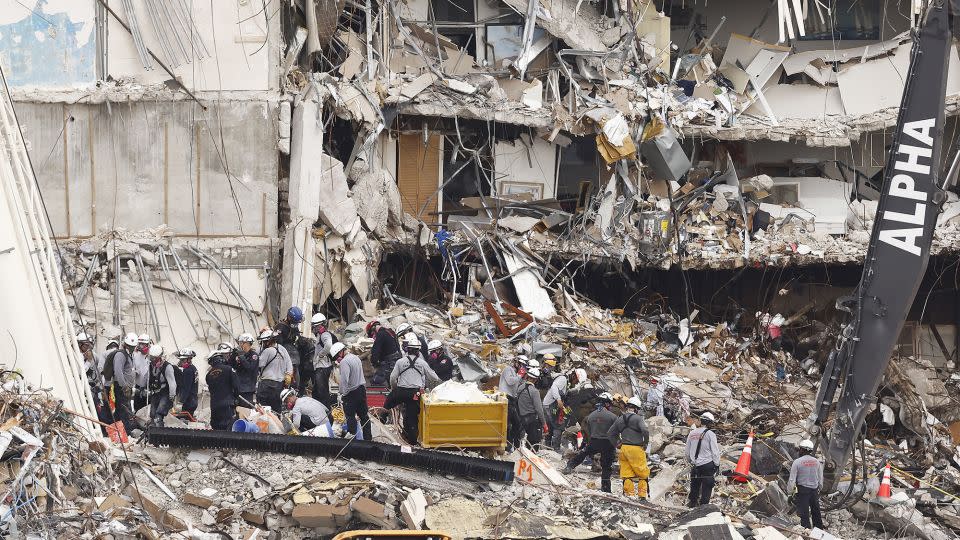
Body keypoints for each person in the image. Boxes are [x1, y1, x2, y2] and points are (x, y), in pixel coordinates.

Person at [386, 333, 440, 444]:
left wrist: (394, 390)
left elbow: (392, 378)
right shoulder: (422, 363)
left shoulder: (400, 362)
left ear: (407, 349)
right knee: (412, 418)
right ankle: (412, 442)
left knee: (387, 404)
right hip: (414, 394)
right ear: (417, 351)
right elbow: (434, 378)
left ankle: (380, 420)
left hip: (401, 391)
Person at [563, 392, 617, 492]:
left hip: (594, 441)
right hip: (607, 443)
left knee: (583, 454)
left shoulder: (591, 416)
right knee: (606, 466)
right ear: (607, 403)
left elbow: (588, 430)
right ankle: (606, 488)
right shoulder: (613, 417)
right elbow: (616, 432)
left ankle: (569, 466)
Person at [607, 396, 651, 498]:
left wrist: (617, 444)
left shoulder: (620, 419)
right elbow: (645, 430)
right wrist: (645, 443)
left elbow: (610, 433)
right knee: (643, 473)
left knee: (626, 473)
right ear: (636, 408)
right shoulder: (638, 418)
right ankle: (642, 496)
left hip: (624, 449)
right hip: (636, 449)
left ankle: (629, 494)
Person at [333, 342, 372, 441]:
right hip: (361, 389)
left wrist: (341, 393)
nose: (337, 358)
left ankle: (352, 439)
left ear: (340, 352)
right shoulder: (355, 358)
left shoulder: (344, 362)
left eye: (337, 355)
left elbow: (344, 380)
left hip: (351, 392)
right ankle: (368, 439)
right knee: (364, 416)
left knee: (350, 416)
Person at [274, 306, 314, 394]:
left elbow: (297, 337)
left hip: (294, 354)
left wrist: (304, 340)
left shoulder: (294, 327)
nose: (296, 324)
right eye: (295, 322)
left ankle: (300, 387)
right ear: (289, 317)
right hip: (284, 354)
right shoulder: (280, 327)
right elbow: (278, 344)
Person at [787, 439, 825, 531]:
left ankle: (806, 532)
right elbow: (820, 478)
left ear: (803, 450)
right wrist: (819, 489)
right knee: (816, 511)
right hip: (814, 490)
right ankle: (819, 531)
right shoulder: (816, 462)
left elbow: (792, 480)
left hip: (802, 491)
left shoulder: (797, 462)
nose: (799, 451)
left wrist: (790, 493)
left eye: (800, 449)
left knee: (804, 513)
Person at [543, 368, 584, 452]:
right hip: (551, 405)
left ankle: (548, 446)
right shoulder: (563, 379)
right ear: (573, 376)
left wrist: (569, 411)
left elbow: (564, 399)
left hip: (553, 406)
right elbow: (554, 386)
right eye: (577, 381)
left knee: (551, 425)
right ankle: (555, 448)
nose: (576, 383)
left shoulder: (567, 383)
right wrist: (558, 399)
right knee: (558, 426)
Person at [685, 411, 721, 507]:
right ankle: (703, 507)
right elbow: (715, 452)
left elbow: (687, 452)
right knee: (707, 487)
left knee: (695, 485)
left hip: (695, 465)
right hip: (707, 465)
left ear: (701, 421)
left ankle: (692, 504)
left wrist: (691, 462)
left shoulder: (692, 433)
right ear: (710, 423)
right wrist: (717, 465)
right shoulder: (710, 434)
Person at [257, 330, 293, 413]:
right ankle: (277, 422)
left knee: (262, 407)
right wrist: (289, 374)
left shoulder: (267, 351)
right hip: (279, 384)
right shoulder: (282, 348)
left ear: (268, 341)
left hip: (266, 384)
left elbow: (259, 364)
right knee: (276, 407)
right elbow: (289, 362)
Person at [110, 333, 139, 431]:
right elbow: (118, 371)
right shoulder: (121, 355)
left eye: (133, 347)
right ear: (126, 345)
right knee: (124, 409)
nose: (132, 348)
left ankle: (119, 430)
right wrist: (124, 386)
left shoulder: (129, 355)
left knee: (122, 409)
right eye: (131, 347)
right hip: (121, 387)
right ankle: (126, 430)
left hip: (127, 387)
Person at [205, 348, 240, 430]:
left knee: (217, 429)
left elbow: (211, 389)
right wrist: (236, 398)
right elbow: (236, 386)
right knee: (228, 429)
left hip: (214, 406)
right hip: (227, 404)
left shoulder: (208, 375)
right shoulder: (229, 369)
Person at [499, 356, 527, 450]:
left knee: (516, 424)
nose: (522, 367)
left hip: (512, 399)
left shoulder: (515, 373)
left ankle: (515, 446)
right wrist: (519, 375)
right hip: (505, 398)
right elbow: (510, 381)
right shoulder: (508, 369)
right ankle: (507, 447)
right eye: (521, 365)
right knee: (508, 424)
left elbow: (517, 385)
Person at [310, 313, 338, 407]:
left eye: (315, 326)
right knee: (317, 392)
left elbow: (328, 345)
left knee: (322, 392)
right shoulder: (320, 335)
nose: (314, 328)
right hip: (321, 367)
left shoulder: (324, 334)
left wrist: (320, 355)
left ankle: (325, 411)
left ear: (319, 326)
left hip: (323, 367)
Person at [516, 367, 548, 449]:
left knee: (521, 442)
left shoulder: (520, 387)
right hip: (532, 421)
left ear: (527, 376)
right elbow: (539, 409)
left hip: (521, 418)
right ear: (536, 380)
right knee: (533, 444)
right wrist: (544, 423)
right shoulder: (534, 391)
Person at [146, 345, 177, 426]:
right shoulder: (151, 366)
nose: (152, 361)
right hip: (155, 392)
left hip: (165, 393)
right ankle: (152, 434)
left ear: (160, 357)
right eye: (151, 358)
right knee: (152, 415)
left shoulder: (167, 367)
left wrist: (172, 395)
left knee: (159, 415)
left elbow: (172, 382)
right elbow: (147, 378)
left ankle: (159, 433)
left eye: (154, 358)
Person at [368, 320, 401, 386]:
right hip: (397, 360)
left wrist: (374, 362)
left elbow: (375, 350)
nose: (374, 337)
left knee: (375, 381)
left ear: (373, 329)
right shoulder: (390, 332)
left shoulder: (380, 334)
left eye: (372, 334)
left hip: (389, 363)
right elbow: (398, 346)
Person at [231, 333, 260, 406]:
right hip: (238, 387)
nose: (240, 345)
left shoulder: (254, 355)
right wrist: (233, 356)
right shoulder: (240, 354)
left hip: (247, 389)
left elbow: (250, 368)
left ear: (247, 343)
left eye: (241, 343)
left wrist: (241, 357)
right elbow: (232, 367)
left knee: (246, 410)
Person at [175, 348, 199, 416]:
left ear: (189, 359)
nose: (181, 362)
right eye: (181, 360)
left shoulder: (188, 371)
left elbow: (186, 388)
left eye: (183, 360)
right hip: (193, 400)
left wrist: (181, 402)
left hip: (188, 402)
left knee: (183, 422)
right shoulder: (193, 368)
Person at [133, 334, 152, 412]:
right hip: (138, 386)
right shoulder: (135, 355)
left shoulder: (152, 355)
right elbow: (132, 368)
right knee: (137, 407)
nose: (141, 346)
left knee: (148, 408)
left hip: (149, 386)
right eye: (140, 344)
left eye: (143, 344)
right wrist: (134, 372)